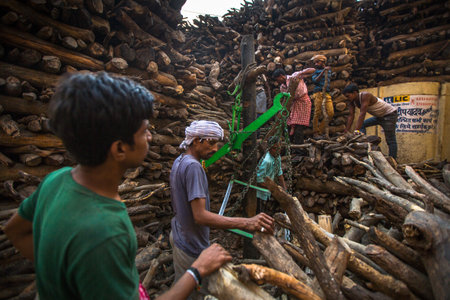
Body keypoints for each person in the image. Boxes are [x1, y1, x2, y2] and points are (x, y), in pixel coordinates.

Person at [4, 72, 231, 300]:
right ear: (120, 149)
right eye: (144, 131)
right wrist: (197, 270)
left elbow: (15, 230)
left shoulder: (56, 180)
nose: (150, 137)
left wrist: (58, 273)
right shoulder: (105, 231)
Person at [170, 120, 275, 299]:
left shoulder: (180, 161)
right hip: (190, 244)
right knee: (195, 293)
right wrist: (247, 222)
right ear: (196, 141)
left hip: (181, 235)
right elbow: (200, 216)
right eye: (211, 142)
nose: (215, 148)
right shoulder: (193, 167)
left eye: (217, 143)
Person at [343, 83, 398, 159]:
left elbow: (362, 113)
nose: (347, 98)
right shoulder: (352, 102)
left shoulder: (365, 95)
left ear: (355, 93)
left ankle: (393, 160)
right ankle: (364, 144)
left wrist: (356, 130)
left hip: (389, 115)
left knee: (390, 139)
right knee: (362, 125)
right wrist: (346, 130)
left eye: (348, 96)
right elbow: (351, 116)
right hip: (379, 117)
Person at [273, 68, 315, 145]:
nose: (277, 81)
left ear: (281, 76)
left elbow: (313, 70)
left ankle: (299, 147)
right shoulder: (282, 87)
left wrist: (300, 73)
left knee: (299, 126)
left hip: (303, 102)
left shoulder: (294, 76)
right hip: (293, 105)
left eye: (277, 79)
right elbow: (286, 99)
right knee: (290, 124)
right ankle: (291, 145)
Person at [256, 136, 287, 213]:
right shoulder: (266, 161)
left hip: (269, 190)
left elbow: (279, 173)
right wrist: (274, 188)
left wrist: (284, 189)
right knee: (261, 212)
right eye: (274, 148)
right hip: (261, 193)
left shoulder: (277, 157)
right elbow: (259, 180)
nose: (277, 151)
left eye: (279, 148)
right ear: (269, 148)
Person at [311, 54, 334, 138]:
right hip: (318, 93)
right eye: (315, 62)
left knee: (330, 113)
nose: (316, 64)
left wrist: (325, 70)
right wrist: (323, 71)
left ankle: (320, 130)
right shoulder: (315, 71)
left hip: (326, 93)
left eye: (318, 62)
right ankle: (315, 132)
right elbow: (315, 81)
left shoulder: (329, 70)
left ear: (323, 62)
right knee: (317, 112)